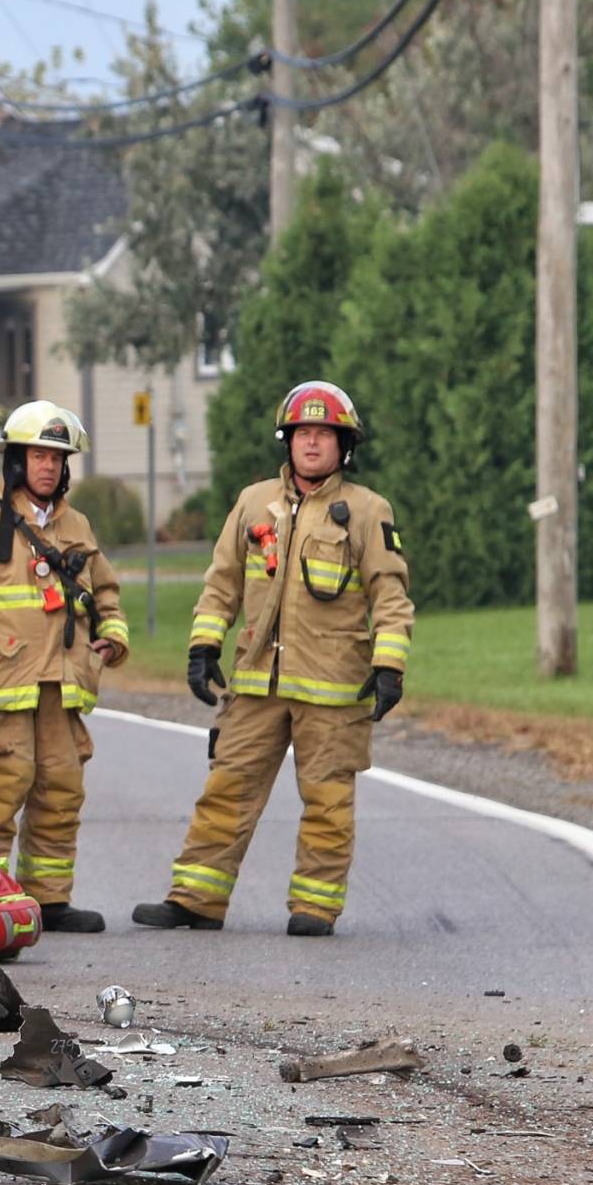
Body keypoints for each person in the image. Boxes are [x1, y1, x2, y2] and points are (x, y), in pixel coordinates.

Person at [134, 381, 411, 937]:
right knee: (226, 787)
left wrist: (389, 665)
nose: (312, 444)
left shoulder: (365, 511)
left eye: (324, 435)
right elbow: (221, 584)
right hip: (256, 681)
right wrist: (203, 645)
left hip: (333, 689)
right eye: (303, 433)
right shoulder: (251, 503)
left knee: (328, 801)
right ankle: (196, 899)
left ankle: (315, 906)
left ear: (344, 447)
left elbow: (390, 594)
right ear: (288, 442)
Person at [0, 400, 128, 933]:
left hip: (62, 689)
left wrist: (112, 637)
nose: (48, 466)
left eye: (57, 457)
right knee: (0, 793)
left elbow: (106, 593)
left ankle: (48, 899)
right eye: (38, 455)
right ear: (16, 462)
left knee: (61, 791)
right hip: (2, 690)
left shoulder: (78, 527)